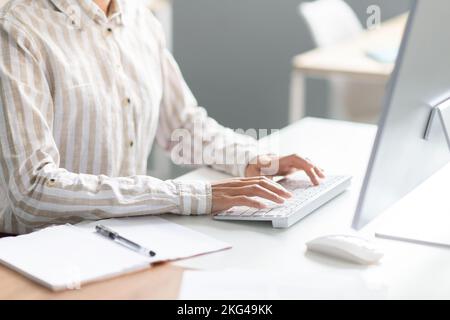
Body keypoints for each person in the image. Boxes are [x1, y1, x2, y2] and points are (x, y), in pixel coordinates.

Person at [0, 0, 324, 234]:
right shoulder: (16, 28)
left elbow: (182, 128)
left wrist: (255, 160)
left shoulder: (141, 19)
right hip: (38, 253)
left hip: (122, 236)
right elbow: (32, 191)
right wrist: (191, 197)